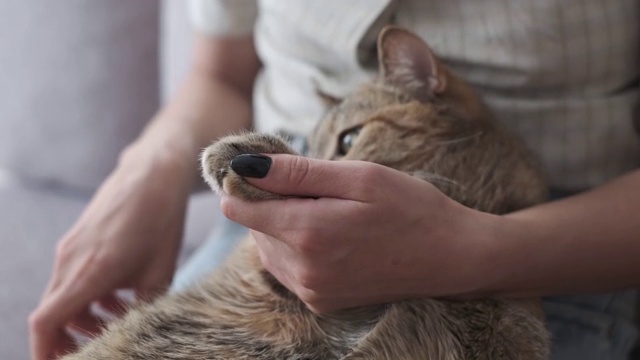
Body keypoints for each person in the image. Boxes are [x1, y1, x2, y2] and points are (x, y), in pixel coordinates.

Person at [29, 0, 640, 359]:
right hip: (283, 192)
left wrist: (477, 253)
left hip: (560, 241)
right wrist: (148, 169)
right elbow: (219, 77)